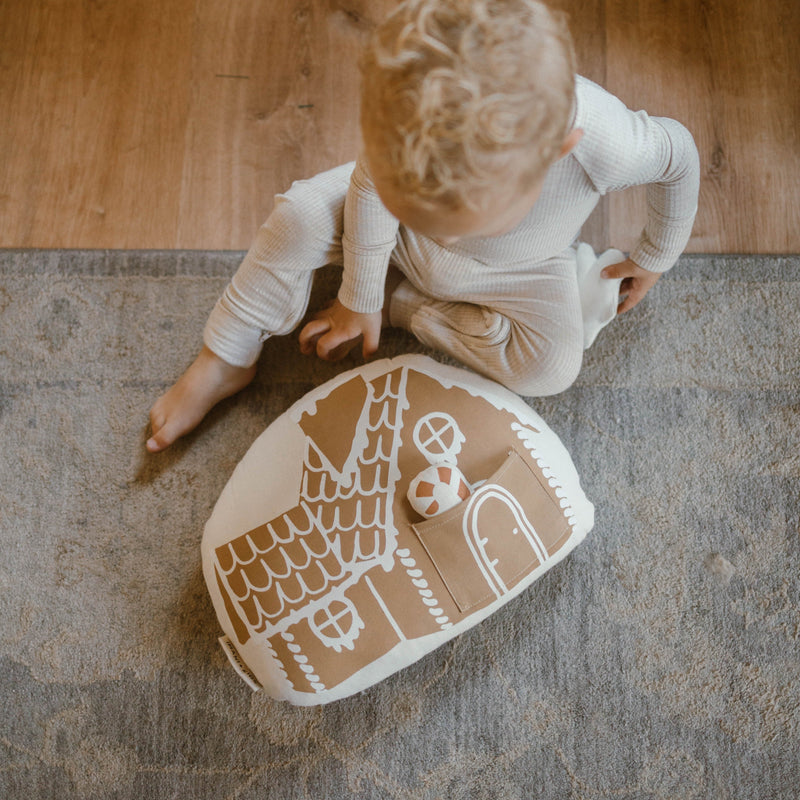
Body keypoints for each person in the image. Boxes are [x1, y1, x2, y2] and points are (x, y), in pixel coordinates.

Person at [147, 0, 699, 453]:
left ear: (558, 151)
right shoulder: (407, 130)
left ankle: (402, 307)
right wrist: (357, 290)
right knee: (299, 216)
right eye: (417, 205)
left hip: (521, 268)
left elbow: (680, 155)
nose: (448, 237)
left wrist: (656, 254)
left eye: (464, 220)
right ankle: (226, 356)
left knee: (553, 367)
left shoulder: (606, 140)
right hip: (385, 235)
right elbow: (368, 190)